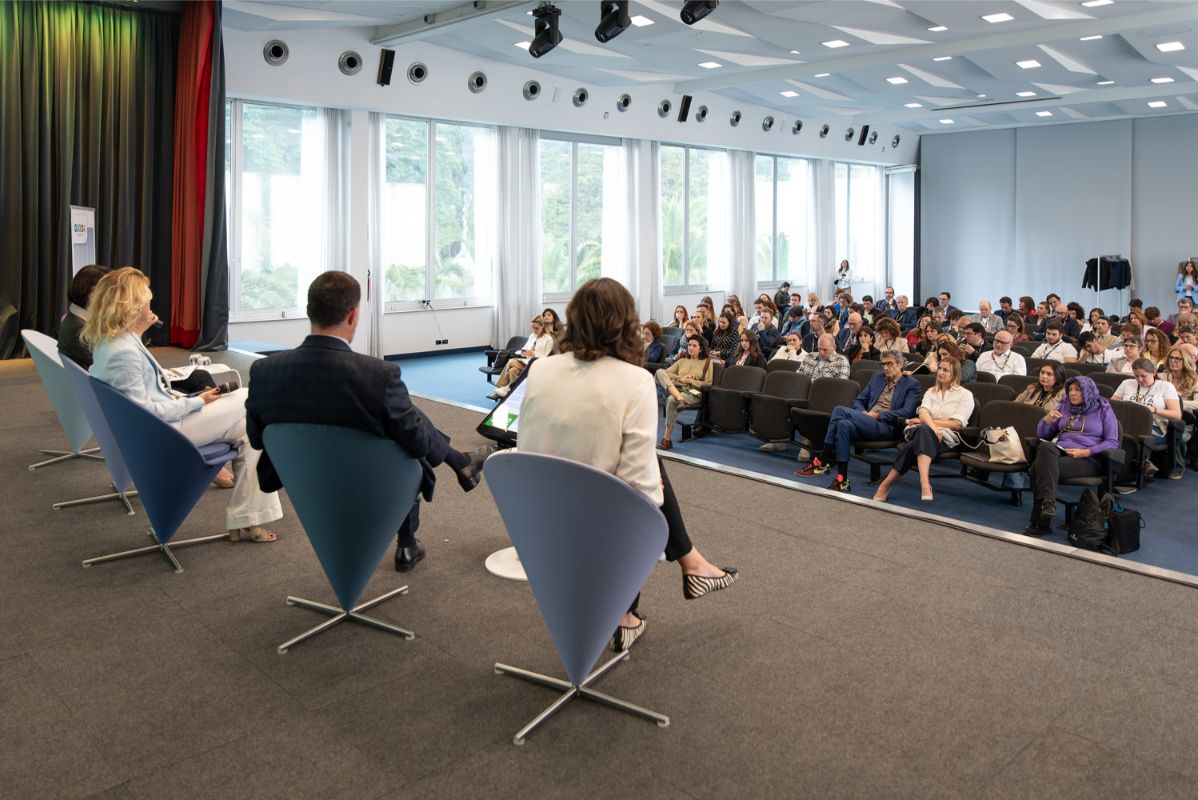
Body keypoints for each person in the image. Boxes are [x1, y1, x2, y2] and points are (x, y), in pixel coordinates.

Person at [519, 278, 737, 651]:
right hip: (599, 529)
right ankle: (646, 596)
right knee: (643, 483)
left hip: (535, 519)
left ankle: (689, 567)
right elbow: (643, 494)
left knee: (637, 470)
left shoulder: (541, 370)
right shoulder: (636, 381)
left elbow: (529, 446)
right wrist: (650, 478)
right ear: (626, 323)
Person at [246, 271, 487, 571]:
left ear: (308, 312)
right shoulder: (378, 375)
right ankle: (409, 539)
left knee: (402, 420)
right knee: (404, 436)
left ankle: (458, 465)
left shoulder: (264, 372)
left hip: (302, 481)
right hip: (369, 480)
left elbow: (256, 438)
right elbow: (416, 444)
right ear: (353, 315)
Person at [84, 267, 283, 543]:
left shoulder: (113, 343)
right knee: (248, 397)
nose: (150, 306)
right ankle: (247, 517)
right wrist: (195, 402)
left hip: (160, 427)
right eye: (146, 301)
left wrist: (191, 400)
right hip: (164, 435)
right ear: (133, 307)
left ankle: (249, 518)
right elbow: (147, 413)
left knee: (250, 433)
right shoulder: (124, 352)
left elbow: (144, 401)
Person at [796, 351, 920, 493]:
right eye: (883, 364)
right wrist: (864, 413)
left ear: (900, 365)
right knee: (843, 425)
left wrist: (879, 416)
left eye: (889, 364)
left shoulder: (912, 384)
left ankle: (822, 460)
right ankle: (842, 480)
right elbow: (859, 401)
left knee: (839, 410)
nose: (885, 368)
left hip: (887, 426)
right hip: (867, 420)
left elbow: (906, 411)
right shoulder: (877, 378)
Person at [1023, 376, 1120, 536]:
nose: (1072, 393)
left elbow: (1112, 442)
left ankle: (1040, 521)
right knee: (1045, 447)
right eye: (1070, 390)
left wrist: (1087, 451)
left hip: (1087, 458)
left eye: (1078, 390)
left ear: (1088, 391)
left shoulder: (1103, 409)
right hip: (1061, 450)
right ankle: (1048, 503)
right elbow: (1043, 435)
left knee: (1037, 468)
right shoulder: (1064, 405)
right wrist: (1045, 421)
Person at [873, 356, 974, 503]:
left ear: (955, 374)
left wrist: (927, 423)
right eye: (939, 368)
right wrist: (932, 427)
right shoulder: (931, 392)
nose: (940, 372)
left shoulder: (965, 395)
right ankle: (925, 483)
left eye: (945, 370)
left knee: (914, 443)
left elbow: (956, 424)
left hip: (948, 439)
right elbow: (923, 412)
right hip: (928, 434)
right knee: (924, 432)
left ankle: (885, 484)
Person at [1113, 358, 1185, 479]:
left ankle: (1133, 469)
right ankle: (1125, 467)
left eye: (1143, 376)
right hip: (1128, 423)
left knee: (1129, 437)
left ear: (1153, 373)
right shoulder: (1127, 383)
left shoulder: (1165, 386)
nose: (1139, 379)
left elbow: (1176, 414)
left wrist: (1154, 410)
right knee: (1116, 433)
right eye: (1136, 376)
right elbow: (1112, 405)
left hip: (1155, 426)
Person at [655, 335, 714, 450]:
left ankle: (666, 440)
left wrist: (689, 381)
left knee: (671, 400)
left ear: (701, 349)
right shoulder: (682, 361)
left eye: (694, 346)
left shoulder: (707, 363)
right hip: (677, 390)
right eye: (689, 345)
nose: (691, 347)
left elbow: (708, 384)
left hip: (692, 393)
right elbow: (665, 373)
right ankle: (679, 398)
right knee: (659, 371)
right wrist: (680, 378)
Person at [57, 264, 110, 369]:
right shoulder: (79, 331)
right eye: (111, 292)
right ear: (93, 294)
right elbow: (109, 366)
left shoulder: (75, 318)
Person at [492, 316, 554, 399]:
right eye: (532, 328)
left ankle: (502, 387)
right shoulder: (532, 336)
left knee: (511, 362)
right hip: (526, 362)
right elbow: (524, 348)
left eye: (536, 328)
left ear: (542, 326)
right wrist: (523, 352)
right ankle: (512, 393)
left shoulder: (548, 339)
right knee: (512, 371)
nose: (534, 330)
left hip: (537, 364)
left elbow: (547, 358)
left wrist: (534, 354)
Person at [1165, 347, 1198, 470]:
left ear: (1186, 361)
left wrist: (1176, 403)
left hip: (1184, 419)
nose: (1173, 361)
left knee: (1180, 438)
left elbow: (1197, 403)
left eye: (1177, 358)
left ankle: (1177, 466)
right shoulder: (1162, 377)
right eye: (1171, 358)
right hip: (1162, 416)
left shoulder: (1195, 380)